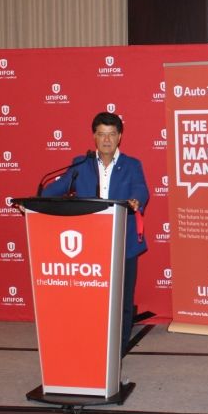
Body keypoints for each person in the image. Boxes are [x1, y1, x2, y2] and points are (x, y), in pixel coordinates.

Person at [42, 111, 150, 357]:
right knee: (91, 297)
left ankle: (118, 349)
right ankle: (90, 340)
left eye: (112, 134)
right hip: (89, 243)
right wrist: (33, 202)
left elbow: (141, 189)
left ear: (120, 136)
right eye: (102, 134)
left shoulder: (132, 164)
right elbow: (59, 188)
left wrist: (136, 201)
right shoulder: (81, 164)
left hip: (123, 241)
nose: (107, 140)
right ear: (94, 137)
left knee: (121, 298)